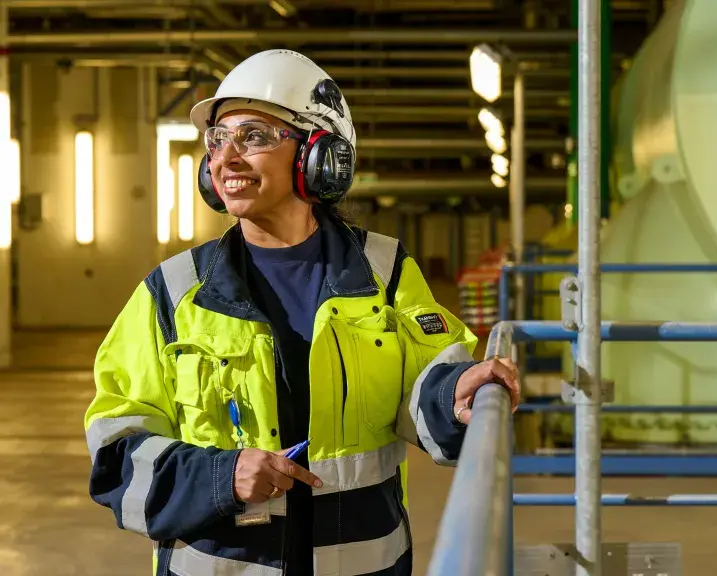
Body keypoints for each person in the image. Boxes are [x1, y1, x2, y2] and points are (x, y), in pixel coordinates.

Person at [84, 49, 520, 576]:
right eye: (218, 139)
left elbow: (423, 385)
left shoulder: (384, 272)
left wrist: (458, 395)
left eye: (254, 136)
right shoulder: (173, 293)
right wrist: (222, 476)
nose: (227, 157)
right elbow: (115, 457)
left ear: (319, 156)